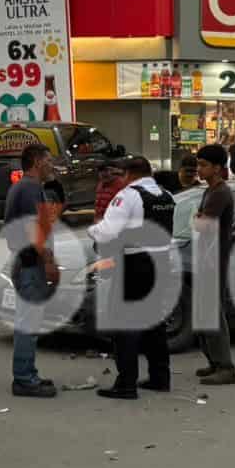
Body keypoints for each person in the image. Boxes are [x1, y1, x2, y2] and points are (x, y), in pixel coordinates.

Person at [89, 156, 174, 400]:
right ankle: (160, 378)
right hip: (161, 263)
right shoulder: (166, 196)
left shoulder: (129, 195)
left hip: (136, 263)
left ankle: (126, 383)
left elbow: (107, 232)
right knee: (155, 323)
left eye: (123, 174)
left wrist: (91, 230)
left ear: (129, 174)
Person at [2, 142, 65, 398]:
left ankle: (28, 373)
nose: (52, 165)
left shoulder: (30, 188)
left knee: (29, 320)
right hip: (30, 264)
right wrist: (48, 262)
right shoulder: (28, 188)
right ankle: (25, 379)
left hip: (26, 261)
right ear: (38, 162)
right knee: (28, 322)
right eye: (49, 160)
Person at [192, 143, 235, 386]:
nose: (199, 169)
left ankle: (225, 366)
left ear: (217, 168)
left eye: (203, 165)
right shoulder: (209, 191)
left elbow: (202, 224)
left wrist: (198, 219)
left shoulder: (220, 193)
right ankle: (213, 361)